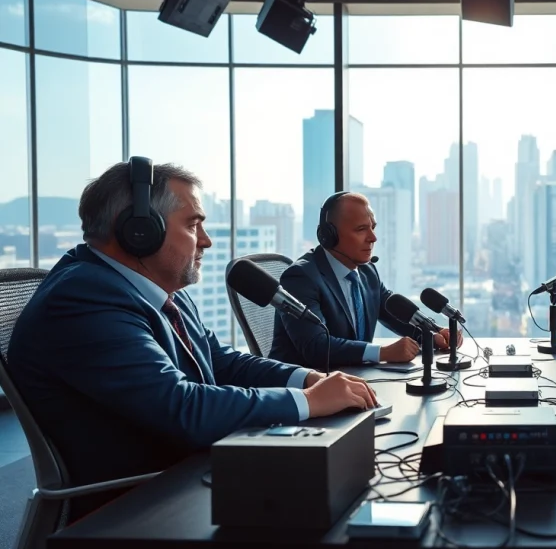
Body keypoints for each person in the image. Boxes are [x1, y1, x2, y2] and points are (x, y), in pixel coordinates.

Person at [6, 158, 376, 522]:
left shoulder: (157, 288)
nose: (206, 241)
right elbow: (181, 407)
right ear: (139, 231)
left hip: (188, 472)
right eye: (193, 225)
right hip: (138, 505)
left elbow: (219, 360)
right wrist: (309, 402)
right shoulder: (83, 299)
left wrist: (306, 379)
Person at [270, 191, 461, 369]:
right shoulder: (301, 278)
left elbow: (393, 312)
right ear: (328, 236)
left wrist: (432, 335)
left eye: (373, 227)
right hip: (305, 387)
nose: (373, 238)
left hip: (356, 380)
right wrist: (382, 352)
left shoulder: (367, 272)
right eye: (361, 229)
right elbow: (316, 347)